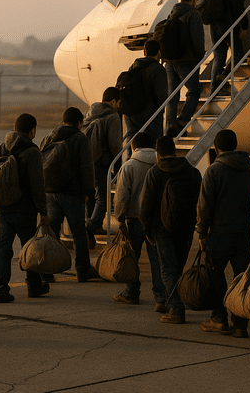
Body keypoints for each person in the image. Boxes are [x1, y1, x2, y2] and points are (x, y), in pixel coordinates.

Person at [196, 129, 250, 338]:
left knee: (215, 275)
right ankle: (240, 324)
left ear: (216, 147)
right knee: (242, 278)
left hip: (220, 234)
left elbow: (204, 205)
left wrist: (202, 232)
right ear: (236, 144)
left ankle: (219, 318)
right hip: (244, 233)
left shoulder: (214, 171)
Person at [139, 136, 202, 324]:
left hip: (162, 229)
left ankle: (175, 308)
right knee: (178, 268)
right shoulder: (192, 172)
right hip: (186, 227)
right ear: (174, 151)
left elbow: (146, 206)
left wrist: (147, 230)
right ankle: (172, 301)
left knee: (168, 269)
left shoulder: (154, 172)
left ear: (157, 153)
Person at [0, 113, 51, 303]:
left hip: (3, 210)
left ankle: (0, 289)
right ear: (32, 130)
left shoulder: (2, 147)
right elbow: (37, 185)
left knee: (3, 249)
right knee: (29, 249)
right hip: (25, 211)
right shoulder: (32, 152)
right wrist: (43, 212)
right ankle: (33, 286)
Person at [41, 107, 99, 282]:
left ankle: (46, 270)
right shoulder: (80, 138)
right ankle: (82, 270)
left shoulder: (50, 136)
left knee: (52, 232)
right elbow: (87, 168)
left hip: (50, 191)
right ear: (80, 123)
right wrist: (89, 192)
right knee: (78, 233)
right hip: (72, 193)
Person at [111, 131, 167, 312]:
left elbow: (121, 196)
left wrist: (120, 219)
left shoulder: (129, 166)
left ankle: (132, 292)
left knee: (131, 257)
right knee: (156, 260)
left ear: (134, 147)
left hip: (134, 219)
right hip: (157, 220)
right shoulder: (162, 165)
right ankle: (161, 298)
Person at [164, 0, 205, 137]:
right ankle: (182, 120)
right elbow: (197, 39)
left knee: (172, 94)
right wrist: (200, 56)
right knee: (194, 91)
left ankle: (170, 126)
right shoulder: (193, 14)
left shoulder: (172, 13)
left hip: (170, 61)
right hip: (186, 61)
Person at [83, 87, 123, 241]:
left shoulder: (90, 112)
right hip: (101, 163)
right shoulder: (112, 116)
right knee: (104, 199)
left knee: (91, 196)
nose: (119, 106)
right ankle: (90, 227)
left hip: (86, 162)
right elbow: (115, 145)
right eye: (118, 102)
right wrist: (117, 167)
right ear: (113, 101)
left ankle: (91, 228)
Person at [207, 0, 248, 95]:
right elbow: (237, 6)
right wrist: (244, 25)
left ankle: (214, 89)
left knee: (219, 56)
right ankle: (224, 76)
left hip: (214, 23)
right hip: (228, 24)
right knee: (239, 54)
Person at [123, 39, 167, 147]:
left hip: (131, 115)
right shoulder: (158, 69)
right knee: (152, 148)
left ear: (144, 52)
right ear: (159, 52)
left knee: (133, 147)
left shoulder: (133, 66)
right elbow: (161, 96)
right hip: (150, 115)